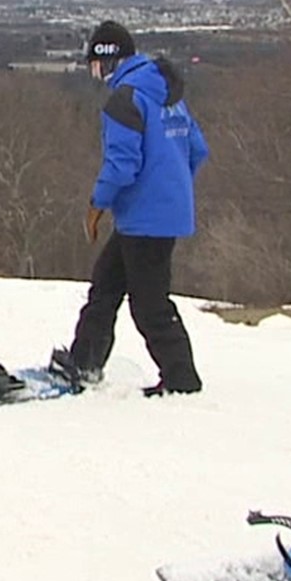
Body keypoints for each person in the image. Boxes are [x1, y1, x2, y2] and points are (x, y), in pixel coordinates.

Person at [47, 20, 207, 397]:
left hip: (144, 218)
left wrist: (97, 204)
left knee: (149, 304)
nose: (94, 74)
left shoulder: (124, 100)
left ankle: (182, 379)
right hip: (157, 213)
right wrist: (172, 188)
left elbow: (122, 165)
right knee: (105, 286)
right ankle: (85, 362)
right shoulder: (167, 95)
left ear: (106, 60)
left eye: (94, 66)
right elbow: (197, 149)